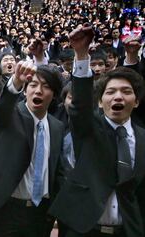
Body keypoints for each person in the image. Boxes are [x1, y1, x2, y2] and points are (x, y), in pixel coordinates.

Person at [49, 24, 145, 237]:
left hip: (128, 230)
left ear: (136, 101)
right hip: (83, 229)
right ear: (100, 102)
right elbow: (81, 105)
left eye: (126, 92)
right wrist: (82, 54)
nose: (118, 97)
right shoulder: (89, 128)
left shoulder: (142, 138)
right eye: (111, 92)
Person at [0, 60, 65, 237]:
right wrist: (16, 81)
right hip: (6, 210)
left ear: (54, 94)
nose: (38, 90)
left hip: (41, 213)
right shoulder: (12, 114)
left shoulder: (57, 127)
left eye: (46, 86)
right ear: (25, 90)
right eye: (33, 85)